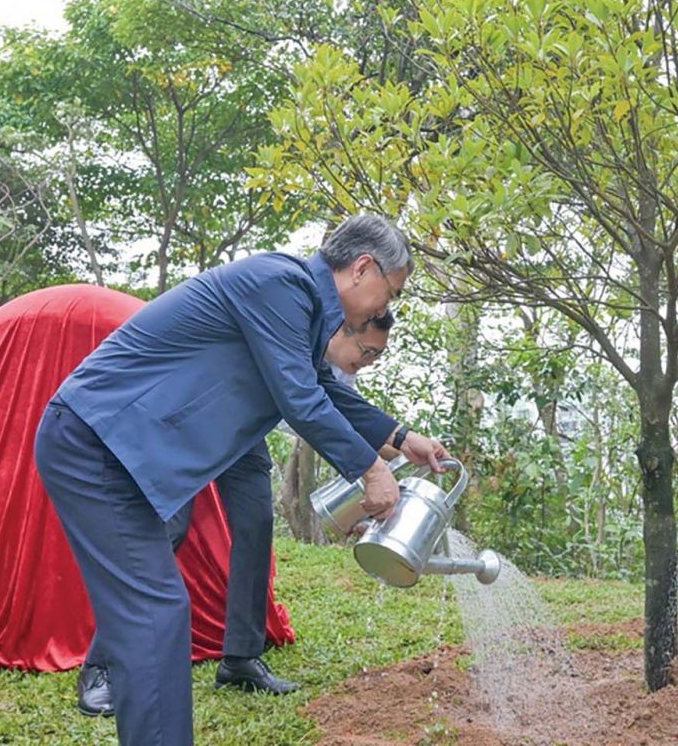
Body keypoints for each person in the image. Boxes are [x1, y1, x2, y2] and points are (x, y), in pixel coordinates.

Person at [36, 214, 449, 746]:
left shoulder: (298, 307)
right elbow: (299, 398)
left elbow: (323, 387)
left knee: (155, 611)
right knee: (156, 612)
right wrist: (371, 470)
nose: (382, 309)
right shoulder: (280, 283)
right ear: (363, 269)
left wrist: (400, 436)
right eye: (388, 293)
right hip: (95, 442)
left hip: (120, 453)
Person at [75, 306, 403, 718]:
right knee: (167, 532)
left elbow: (340, 404)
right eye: (368, 351)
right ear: (345, 329)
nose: (368, 363)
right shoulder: (288, 320)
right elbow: (310, 408)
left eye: (377, 356)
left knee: (255, 524)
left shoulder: (318, 353)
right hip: (188, 422)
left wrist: (406, 439)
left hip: (241, 435)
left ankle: (241, 659)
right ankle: (100, 666)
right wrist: (370, 469)